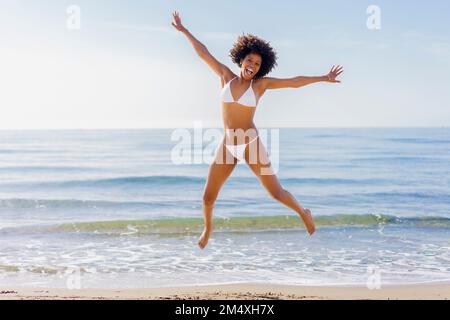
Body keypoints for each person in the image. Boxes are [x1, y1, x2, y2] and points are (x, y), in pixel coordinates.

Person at [171, 11, 343, 249]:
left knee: (276, 193)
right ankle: (208, 229)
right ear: (241, 59)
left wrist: (324, 78)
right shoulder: (225, 77)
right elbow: (203, 53)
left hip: (250, 143)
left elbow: (294, 82)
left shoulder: (260, 86)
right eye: (249, 61)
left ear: (261, 68)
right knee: (207, 197)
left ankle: (304, 212)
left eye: (257, 64)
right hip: (228, 144)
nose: (252, 66)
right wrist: (184, 31)